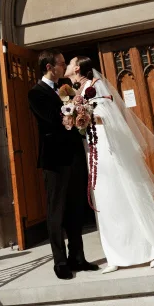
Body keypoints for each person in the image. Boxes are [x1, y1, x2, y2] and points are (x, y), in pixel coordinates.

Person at [64, 56, 154, 274]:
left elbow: (107, 114)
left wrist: (84, 114)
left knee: (124, 195)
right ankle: (116, 255)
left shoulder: (93, 86)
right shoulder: (76, 90)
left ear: (77, 68)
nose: (68, 66)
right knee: (105, 202)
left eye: (70, 63)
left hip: (107, 147)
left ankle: (153, 249)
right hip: (92, 149)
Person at [28, 49, 99, 280]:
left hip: (74, 156)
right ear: (49, 67)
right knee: (56, 211)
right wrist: (72, 106)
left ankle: (77, 256)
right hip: (55, 160)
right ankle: (60, 262)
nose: (63, 66)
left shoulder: (66, 89)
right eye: (60, 63)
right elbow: (52, 118)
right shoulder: (36, 93)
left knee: (76, 208)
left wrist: (81, 109)